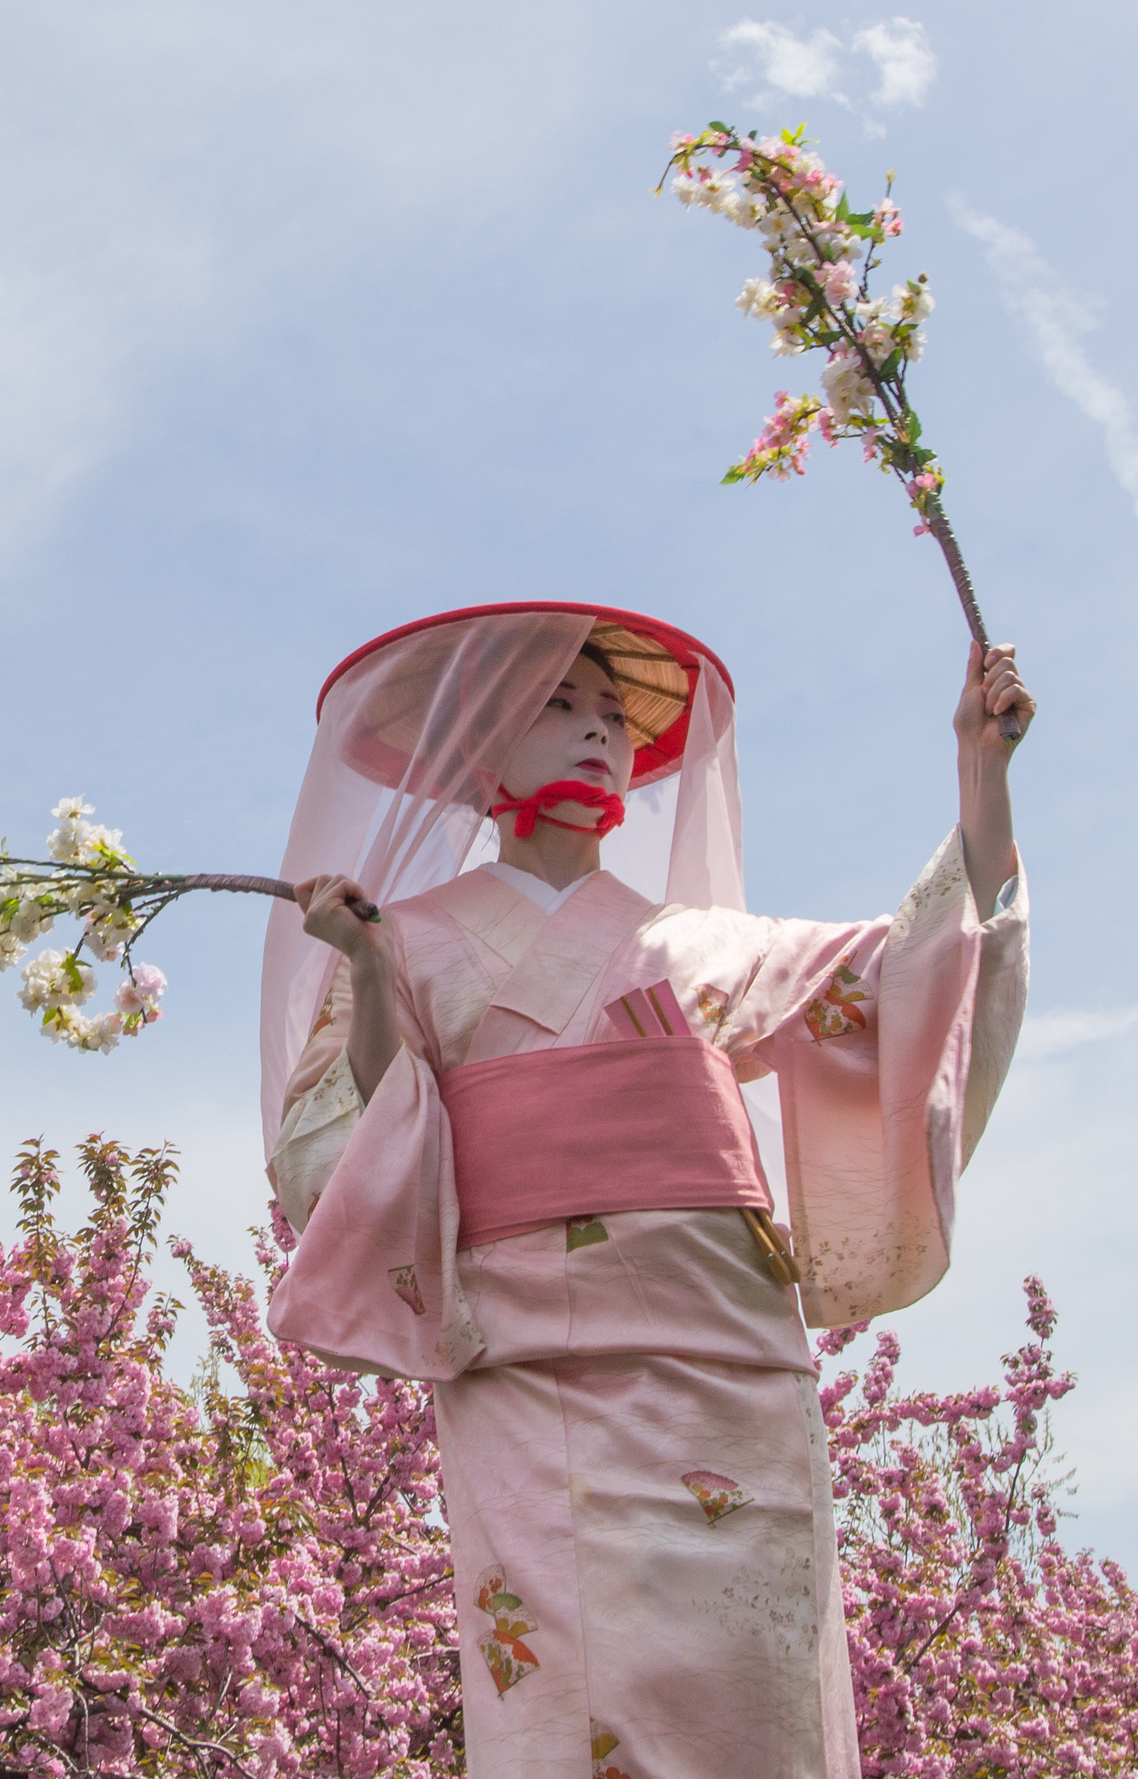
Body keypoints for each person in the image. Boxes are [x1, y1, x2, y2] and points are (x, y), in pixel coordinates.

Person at [259, 602, 1032, 1779]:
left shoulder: (697, 940)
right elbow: (366, 1132)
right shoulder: (402, 937)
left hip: (728, 1353)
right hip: (528, 1353)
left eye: (613, 713)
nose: (599, 732)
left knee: (751, 1694)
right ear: (481, 748)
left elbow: (908, 972)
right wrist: (365, 971)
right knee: (570, 1692)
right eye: (559, 706)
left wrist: (981, 770)